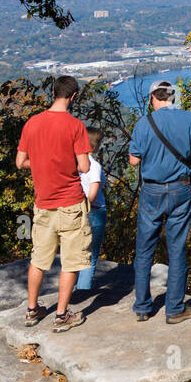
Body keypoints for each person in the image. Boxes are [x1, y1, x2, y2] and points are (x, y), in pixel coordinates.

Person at [16, 75, 92, 332]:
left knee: (39, 259)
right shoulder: (75, 126)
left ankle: (31, 309)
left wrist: (40, 164)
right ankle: (61, 315)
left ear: (54, 93)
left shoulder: (33, 123)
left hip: (43, 203)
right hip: (70, 202)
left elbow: (20, 162)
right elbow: (84, 166)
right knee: (70, 261)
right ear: (73, 96)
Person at [129, 80, 191, 323]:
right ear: (173, 97)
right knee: (177, 248)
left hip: (151, 191)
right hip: (180, 189)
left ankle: (142, 306)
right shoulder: (189, 119)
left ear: (153, 98)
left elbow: (133, 160)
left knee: (144, 249)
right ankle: (174, 309)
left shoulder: (143, 124)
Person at [74, 126, 106, 294]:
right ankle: (83, 291)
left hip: (74, 210)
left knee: (76, 253)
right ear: (96, 144)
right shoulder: (94, 166)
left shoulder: (74, 163)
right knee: (90, 256)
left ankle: (74, 288)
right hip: (94, 212)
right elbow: (92, 195)